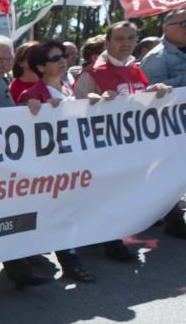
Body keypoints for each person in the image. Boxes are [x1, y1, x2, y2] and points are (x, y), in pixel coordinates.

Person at [72, 21, 172, 262]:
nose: (125, 43)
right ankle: (109, 241)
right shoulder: (93, 73)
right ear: (107, 42)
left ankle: (109, 235)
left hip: (131, 147)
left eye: (130, 38)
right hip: (103, 148)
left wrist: (155, 94)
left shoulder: (135, 69)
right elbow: (75, 112)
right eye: (119, 39)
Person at [0, 35, 56, 290]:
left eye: (9, 59)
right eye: (1, 59)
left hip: (3, 167)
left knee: (7, 218)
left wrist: (27, 107)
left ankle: (18, 269)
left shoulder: (3, 83)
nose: (7, 64)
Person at [17, 41, 99, 284]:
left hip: (72, 164)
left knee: (63, 216)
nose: (63, 60)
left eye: (63, 56)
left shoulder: (68, 87)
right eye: (55, 58)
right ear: (41, 66)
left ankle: (34, 265)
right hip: (49, 171)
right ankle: (61, 263)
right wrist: (33, 110)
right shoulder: (31, 95)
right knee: (52, 217)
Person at [140, 8, 186, 238]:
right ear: (166, 28)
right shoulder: (156, 58)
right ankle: (173, 218)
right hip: (170, 127)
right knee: (171, 173)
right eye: (184, 23)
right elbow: (151, 92)